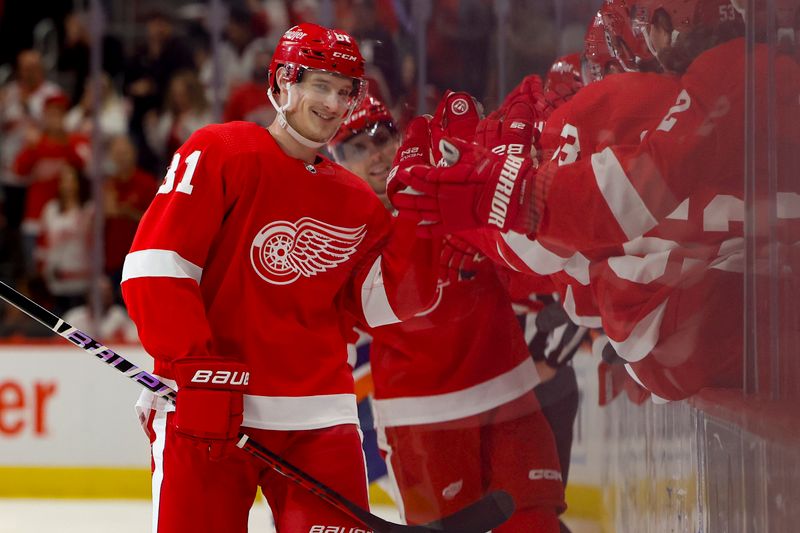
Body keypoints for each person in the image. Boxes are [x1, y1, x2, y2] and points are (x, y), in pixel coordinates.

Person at [390, 0, 800, 401]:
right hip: (695, 322)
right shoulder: (736, 70)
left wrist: (498, 196)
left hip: (680, 331)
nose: (646, 44)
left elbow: (610, 206)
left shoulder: (712, 77)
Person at [121, 23, 439, 532]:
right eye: (320, 85)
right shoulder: (220, 151)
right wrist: (195, 366)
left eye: (344, 91)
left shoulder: (357, 202)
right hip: (208, 408)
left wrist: (427, 229)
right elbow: (155, 264)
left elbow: (379, 305)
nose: (334, 104)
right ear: (284, 82)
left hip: (318, 419)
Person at [329, 93, 567, 532]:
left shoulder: (449, 179)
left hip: (507, 392)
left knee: (535, 525)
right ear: (337, 160)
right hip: (422, 420)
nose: (376, 156)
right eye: (356, 148)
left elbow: (528, 267)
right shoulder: (343, 231)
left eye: (381, 138)